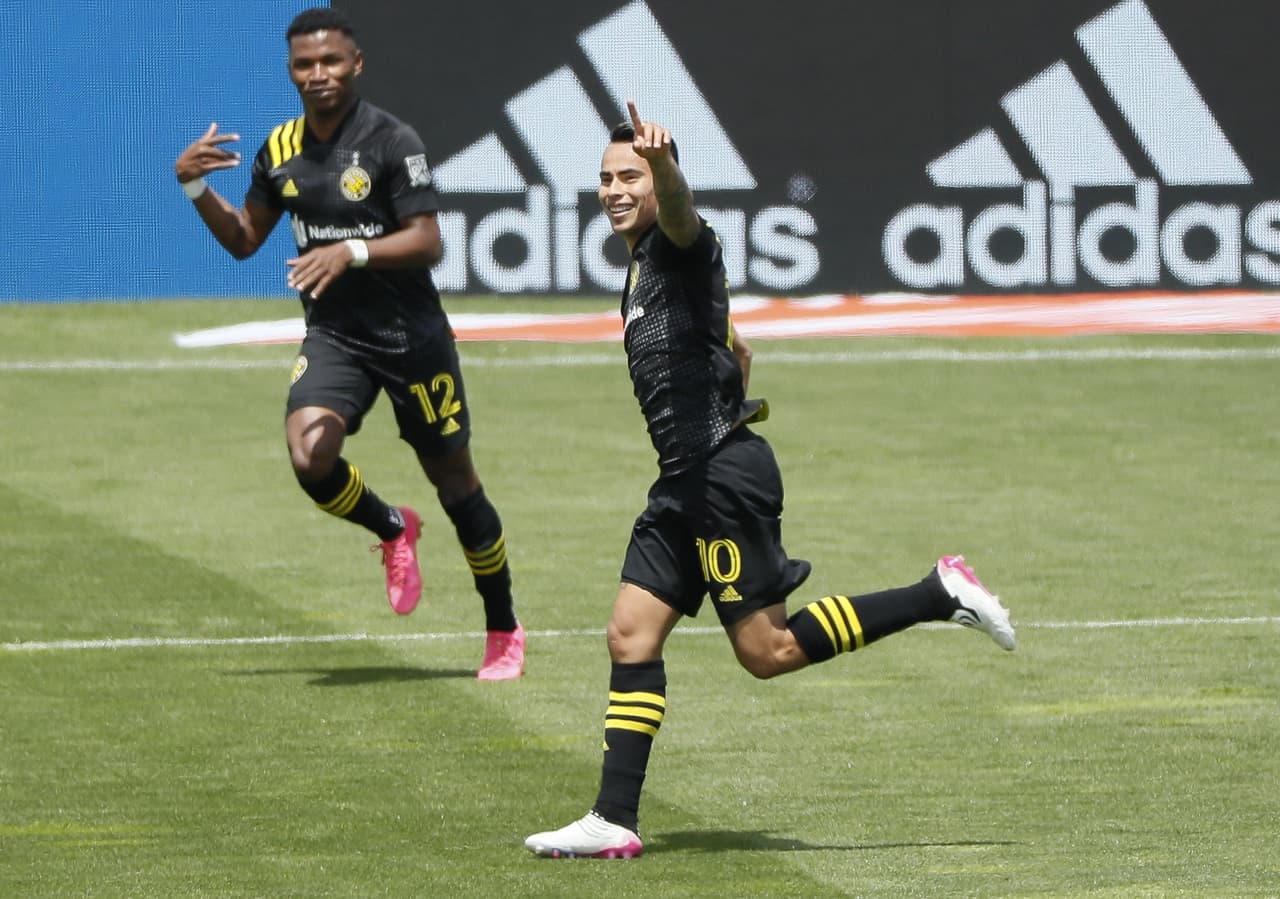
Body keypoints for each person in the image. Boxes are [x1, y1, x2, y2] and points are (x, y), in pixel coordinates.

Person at [523, 102, 1015, 858]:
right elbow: (727, 340)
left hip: (722, 475)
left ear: (659, 181)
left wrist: (668, 171)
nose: (616, 189)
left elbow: (685, 218)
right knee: (629, 632)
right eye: (605, 178)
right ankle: (614, 817)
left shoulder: (681, 241)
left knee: (767, 651)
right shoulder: (643, 268)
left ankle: (937, 592)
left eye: (631, 175)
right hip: (682, 483)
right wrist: (727, 356)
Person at [172, 8, 524, 680]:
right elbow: (247, 239)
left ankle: (503, 626)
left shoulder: (393, 141)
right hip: (336, 335)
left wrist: (351, 251)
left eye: (331, 61)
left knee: (456, 484)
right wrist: (194, 187)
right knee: (309, 452)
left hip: (412, 339)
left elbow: (427, 239)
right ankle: (394, 527)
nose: (319, 74)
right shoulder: (279, 151)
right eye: (305, 65)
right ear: (291, 72)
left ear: (355, 64)